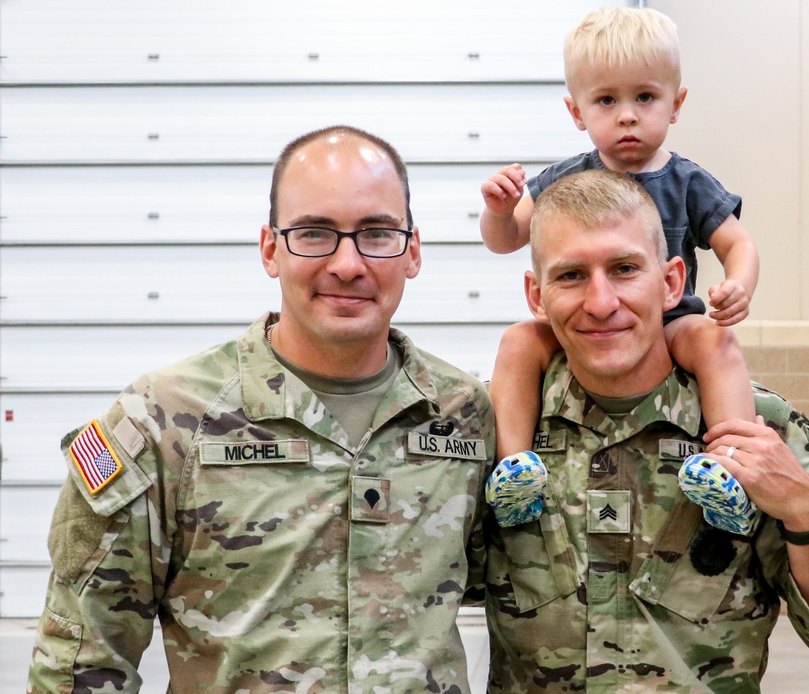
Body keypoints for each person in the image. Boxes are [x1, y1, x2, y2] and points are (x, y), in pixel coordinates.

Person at [27, 125, 495, 693]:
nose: (348, 264)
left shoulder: (467, 414)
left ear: (413, 251)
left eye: (376, 233)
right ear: (271, 249)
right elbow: (81, 659)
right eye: (314, 233)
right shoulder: (162, 420)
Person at [484, 169, 809, 693]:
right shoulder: (496, 429)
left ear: (672, 282)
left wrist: (804, 511)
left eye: (625, 269)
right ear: (536, 295)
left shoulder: (762, 427)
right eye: (570, 276)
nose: (602, 303)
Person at [480, 6, 759, 524]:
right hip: (581, 331)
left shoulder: (689, 182)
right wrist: (499, 210)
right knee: (519, 340)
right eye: (607, 99)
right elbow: (508, 239)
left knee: (714, 341)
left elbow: (737, 243)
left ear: (675, 104)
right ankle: (514, 471)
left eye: (645, 97)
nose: (627, 114)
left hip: (669, 324)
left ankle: (732, 469)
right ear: (576, 111)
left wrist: (737, 286)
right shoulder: (561, 181)